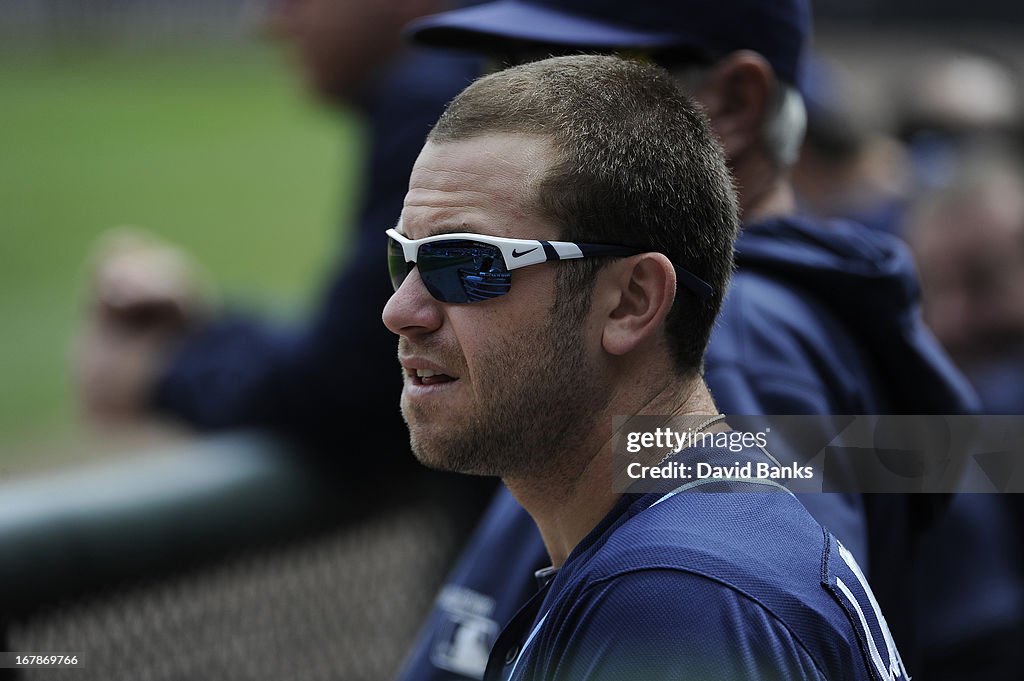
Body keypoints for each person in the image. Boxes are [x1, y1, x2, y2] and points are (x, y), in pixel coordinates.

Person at [392, 1, 981, 679]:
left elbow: (731, 595)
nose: (524, 97)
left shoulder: (741, 350)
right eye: (502, 66)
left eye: (469, 262)